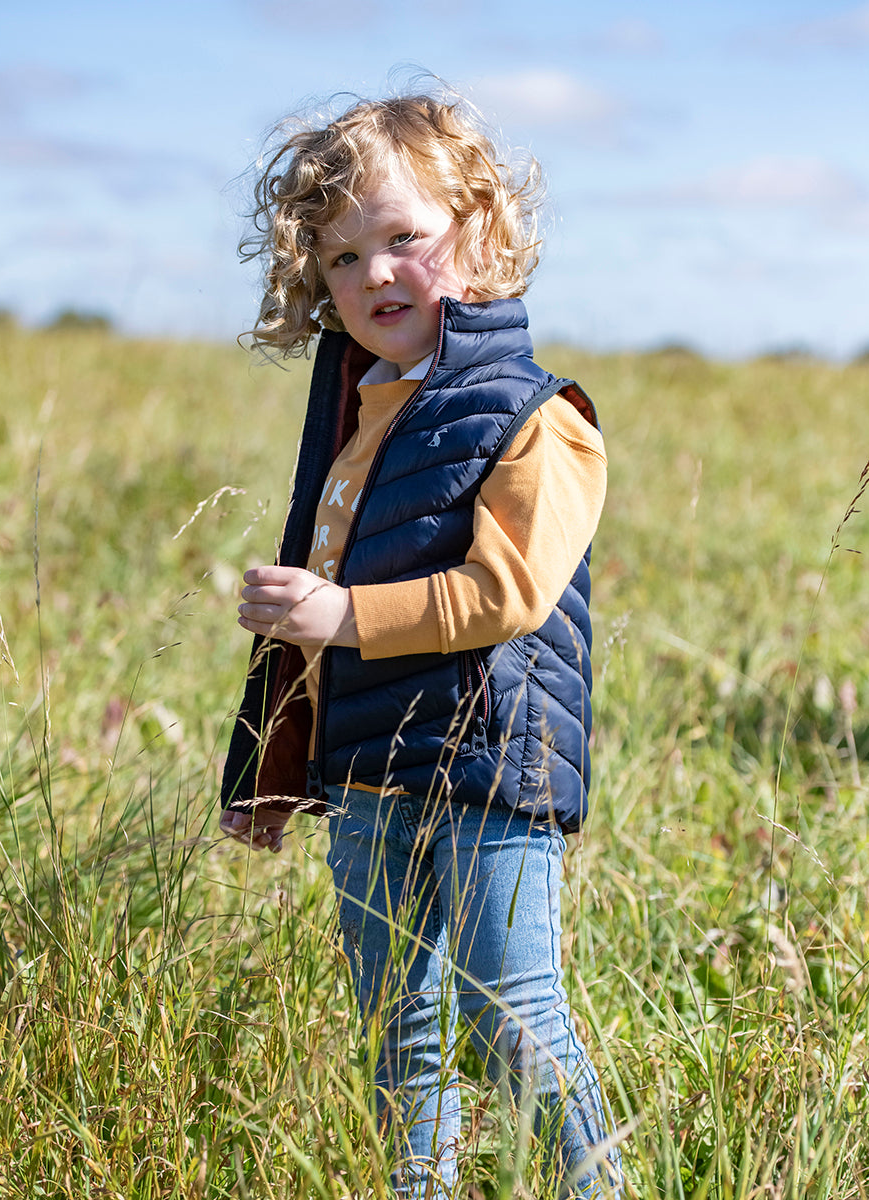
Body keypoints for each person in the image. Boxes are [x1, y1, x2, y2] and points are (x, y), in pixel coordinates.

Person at [218, 89, 623, 1199]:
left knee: (509, 1017)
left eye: (404, 236)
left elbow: (508, 593)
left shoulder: (538, 415)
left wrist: (340, 614)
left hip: (491, 765)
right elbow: (322, 606)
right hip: (368, 770)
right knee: (396, 1028)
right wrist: (269, 762)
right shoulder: (355, 417)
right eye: (343, 257)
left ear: (482, 230)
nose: (375, 274)